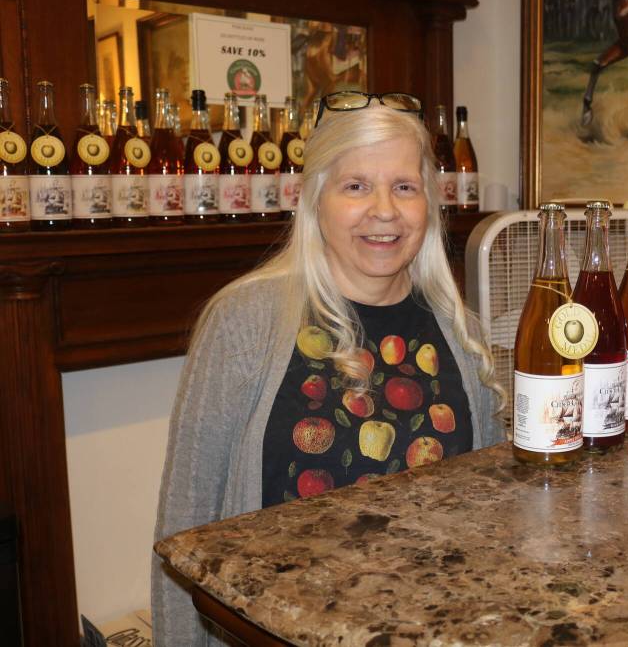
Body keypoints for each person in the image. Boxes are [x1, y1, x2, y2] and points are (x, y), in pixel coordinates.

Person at [151, 91, 506, 646]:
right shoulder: (245, 322)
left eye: (404, 187)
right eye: (356, 186)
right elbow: (184, 523)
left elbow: (488, 520)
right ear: (315, 199)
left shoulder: (462, 336)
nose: (384, 210)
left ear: (430, 204)